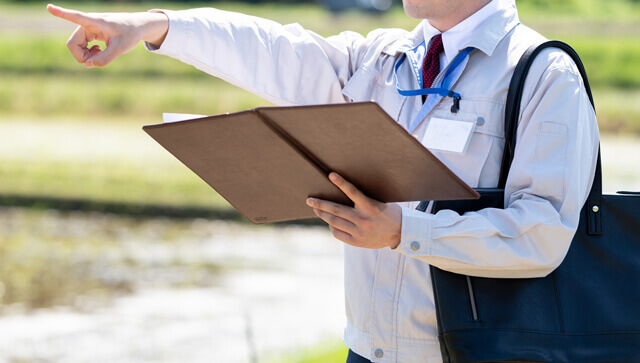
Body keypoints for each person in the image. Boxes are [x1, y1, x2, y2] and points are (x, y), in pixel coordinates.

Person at [47, 0, 599, 361]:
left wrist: (402, 231)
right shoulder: (386, 59)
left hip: (480, 353)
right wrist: (154, 25)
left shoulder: (545, 74)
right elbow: (275, 49)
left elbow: (543, 233)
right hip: (368, 351)